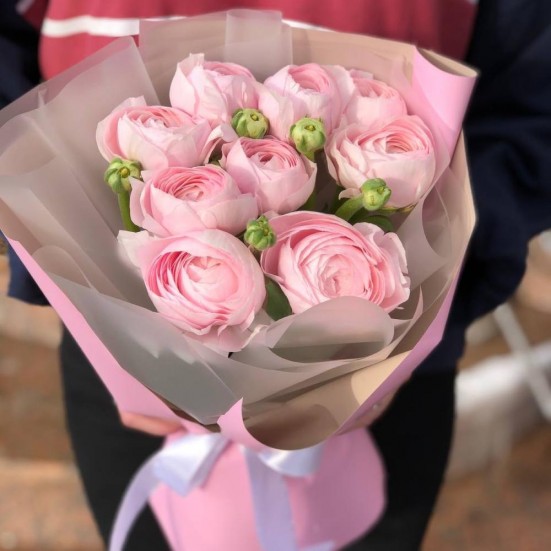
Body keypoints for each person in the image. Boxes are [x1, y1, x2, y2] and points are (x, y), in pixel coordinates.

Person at [1, 1, 550, 549]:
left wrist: (443, 281)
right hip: (121, 348)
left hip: (390, 372)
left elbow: (533, 90)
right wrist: (45, 240)